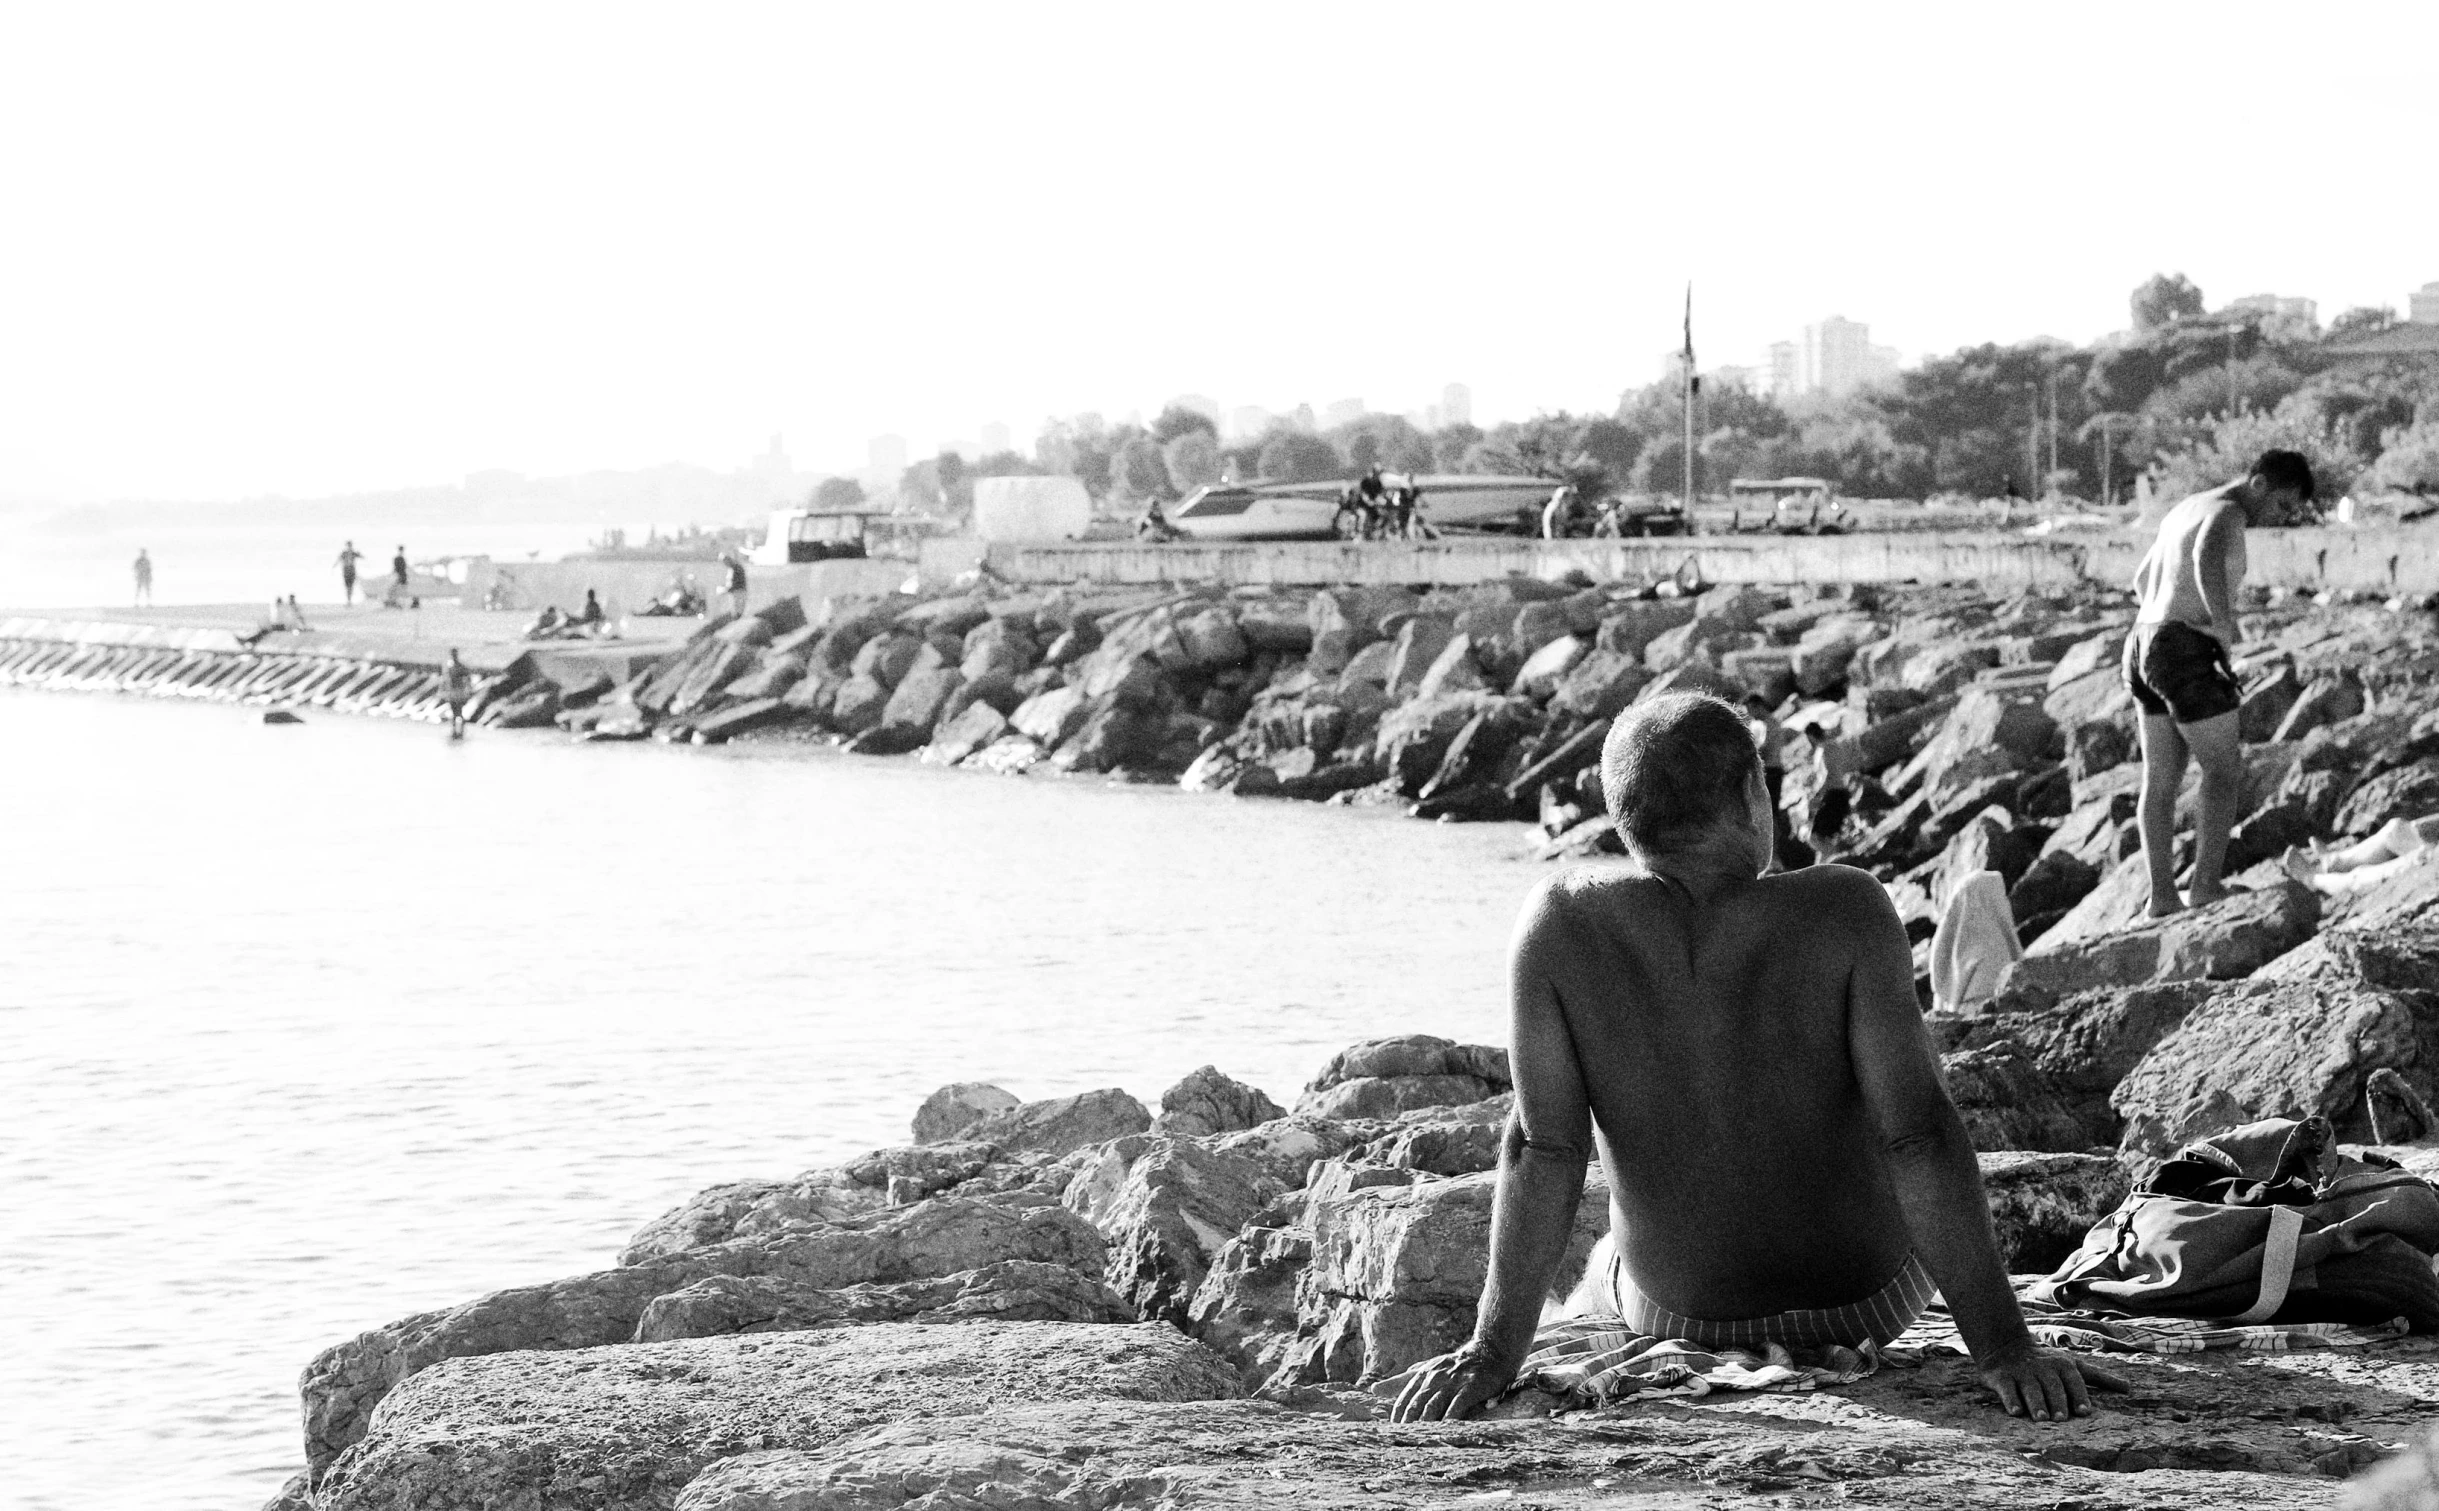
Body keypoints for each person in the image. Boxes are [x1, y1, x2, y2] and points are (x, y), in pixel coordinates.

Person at [1391, 694, 2121, 1425]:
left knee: (1602, 1261)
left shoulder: (1557, 924)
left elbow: (1543, 1148)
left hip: (1682, 1316)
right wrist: (2002, 1348)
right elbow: (1918, 1134)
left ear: (1622, 817)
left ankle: (1553, 1331)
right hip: (1867, 1302)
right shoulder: (1848, 909)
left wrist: (1491, 1350)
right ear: (1751, 794)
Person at [2122, 449, 2315, 916]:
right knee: (2224, 772)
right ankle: (2206, 886)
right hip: (2182, 648)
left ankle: (2162, 897)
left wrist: (2170, 616)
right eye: (2284, 505)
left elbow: (2140, 578)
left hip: (2142, 641)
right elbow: (2207, 554)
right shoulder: (2227, 513)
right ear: (2260, 484)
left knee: (2161, 779)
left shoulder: (2187, 507)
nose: (2281, 518)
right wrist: (2221, 627)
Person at [439, 649, 474, 739]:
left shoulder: (460, 667)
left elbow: (468, 677)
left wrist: (468, 688)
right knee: (454, 713)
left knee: (459, 712)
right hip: (452, 692)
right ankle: (455, 731)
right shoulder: (449, 666)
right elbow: (445, 680)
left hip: (459, 691)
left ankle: (460, 731)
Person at [335, 541, 363, 605]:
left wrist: (359, 553)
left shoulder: (353, 553)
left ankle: (349, 600)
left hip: (351, 570)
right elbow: (339, 559)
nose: (349, 547)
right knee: (347, 586)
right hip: (346, 570)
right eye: (348, 545)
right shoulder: (344, 553)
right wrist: (334, 566)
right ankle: (348, 600)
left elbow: (362, 557)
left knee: (351, 586)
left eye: (350, 545)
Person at [722, 551, 749, 616]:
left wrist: (728, 589)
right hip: (737, 591)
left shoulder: (737, 568)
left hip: (739, 591)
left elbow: (737, 581)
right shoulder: (733, 568)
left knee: (738, 608)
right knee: (736, 608)